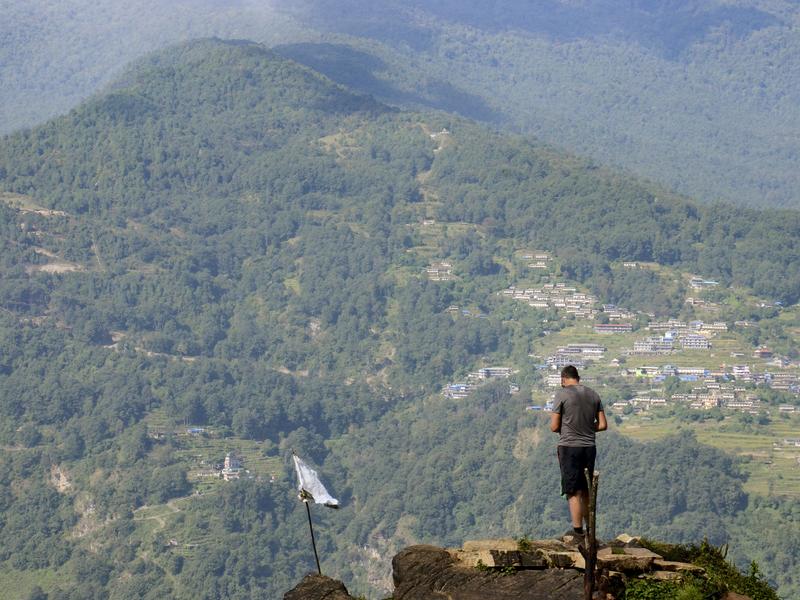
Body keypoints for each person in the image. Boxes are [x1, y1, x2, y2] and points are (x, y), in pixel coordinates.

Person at [550, 364, 607, 539]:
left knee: (573, 490)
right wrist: (587, 429)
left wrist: (571, 429)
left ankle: (577, 532)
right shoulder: (593, 395)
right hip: (589, 447)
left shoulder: (562, 395)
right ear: (578, 378)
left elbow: (554, 426)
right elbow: (603, 425)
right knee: (586, 488)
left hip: (569, 447)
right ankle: (590, 530)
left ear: (563, 379)